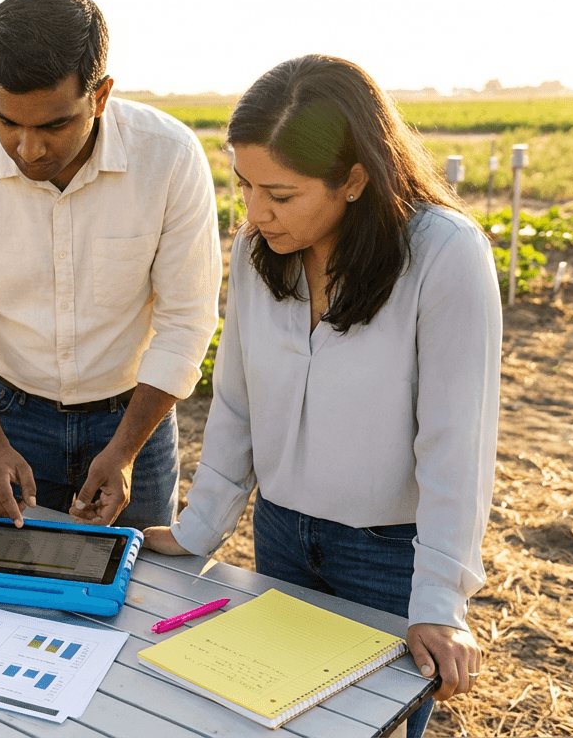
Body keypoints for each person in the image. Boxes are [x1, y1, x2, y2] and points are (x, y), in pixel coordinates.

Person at [143, 55, 498, 738]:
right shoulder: (257, 254)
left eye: (280, 194)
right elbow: (238, 406)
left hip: (390, 552)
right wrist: (196, 534)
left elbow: (458, 441)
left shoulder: (443, 253)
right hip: (280, 534)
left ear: (355, 178)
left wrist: (440, 600)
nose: (254, 213)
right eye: (244, 185)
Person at [0, 0, 221, 531]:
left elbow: (186, 320)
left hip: (134, 419)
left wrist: (125, 452)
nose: (28, 148)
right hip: (9, 420)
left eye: (53, 125)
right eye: (7, 121)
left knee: (138, 596)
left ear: (100, 96)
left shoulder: (169, 158)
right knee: (8, 592)